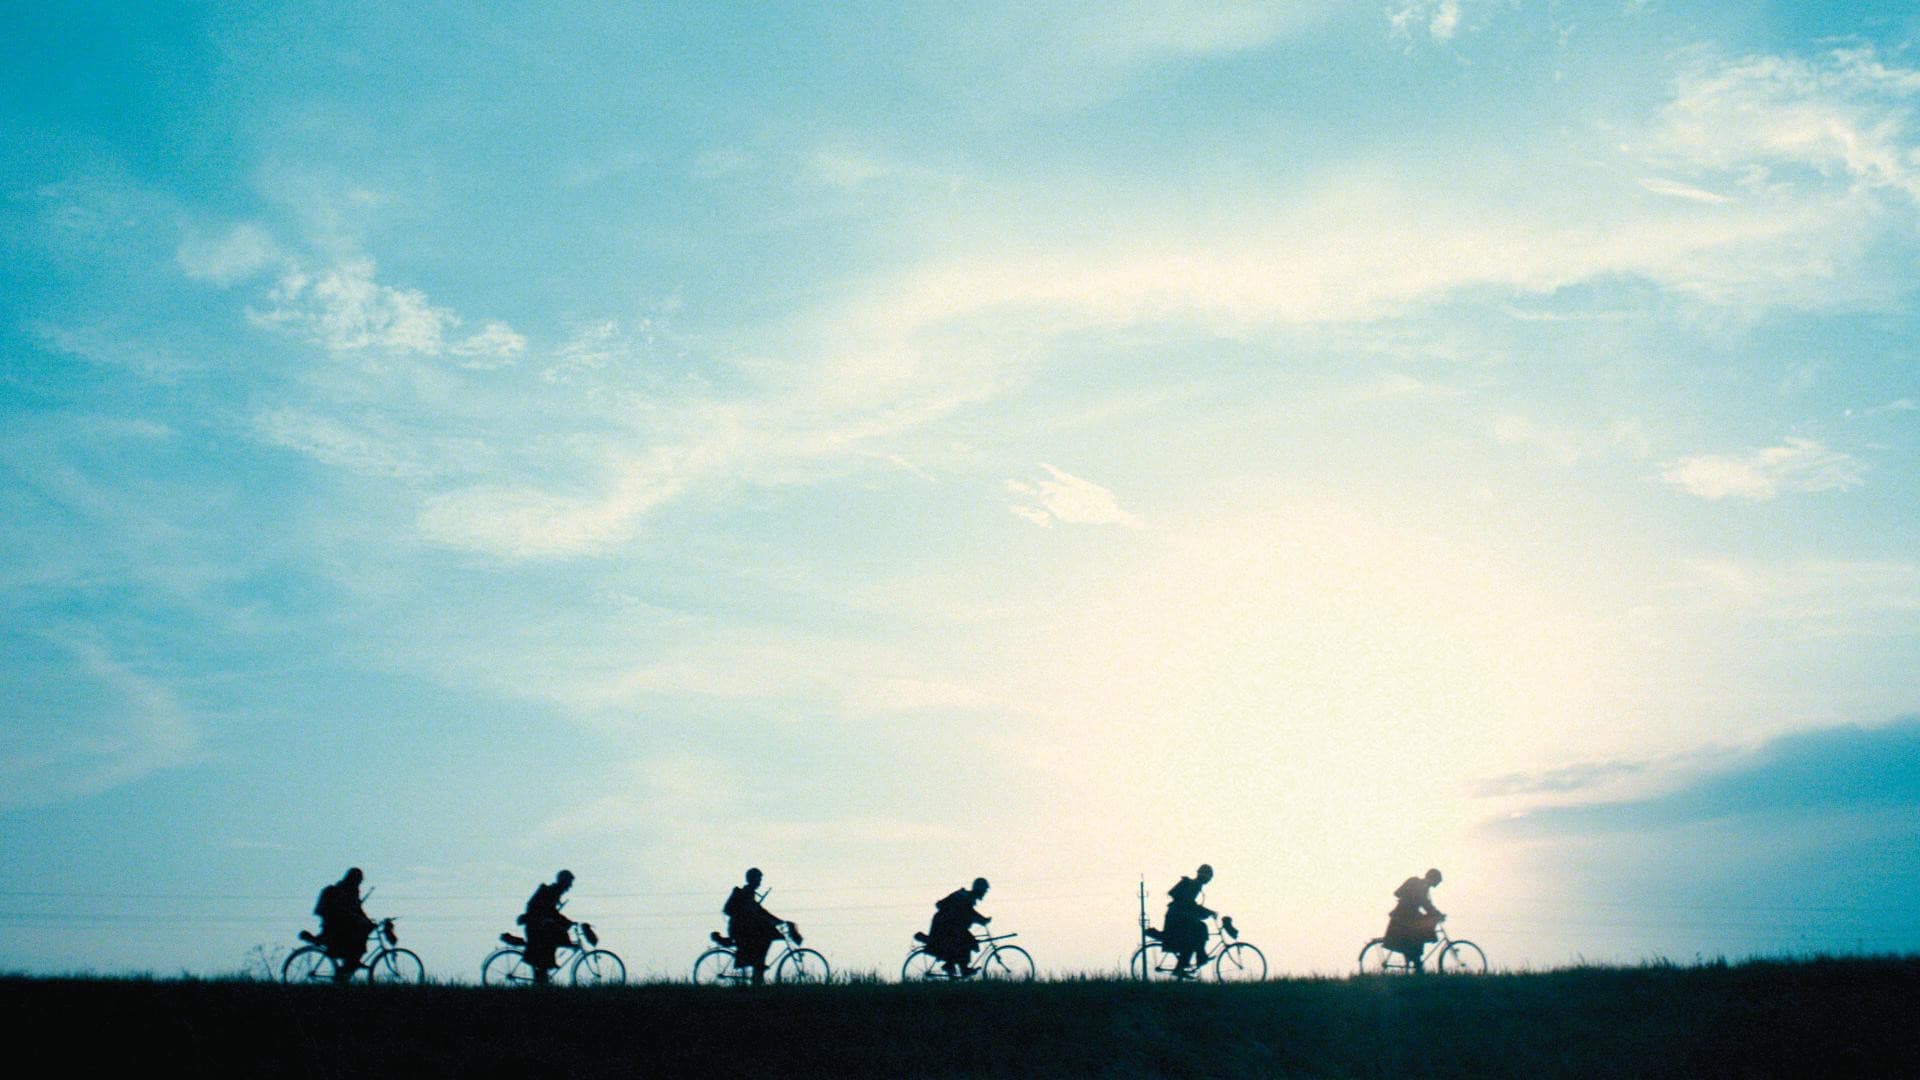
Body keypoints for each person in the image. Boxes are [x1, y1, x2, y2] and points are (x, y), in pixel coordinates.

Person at [313, 867, 375, 984]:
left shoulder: (347, 889)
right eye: (359, 880)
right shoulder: (346, 890)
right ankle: (344, 972)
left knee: (357, 944)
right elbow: (349, 910)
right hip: (338, 926)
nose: (360, 882)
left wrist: (366, 920)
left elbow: (356, 910)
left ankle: (346, 971)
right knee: (356, 944)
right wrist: (364, 920)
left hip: (340, 924)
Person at [723, 868, 785, 984]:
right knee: (764, 939)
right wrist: (777, 922)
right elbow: (758, 912)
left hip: (741, 929)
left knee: (763, 941)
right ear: (753, 879)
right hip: (740, 930)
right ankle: (758, 974)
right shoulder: (747, 893)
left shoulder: (748, 892)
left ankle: (758, 972)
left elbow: (759, 911)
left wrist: (777, 921)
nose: (760, 881)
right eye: (758, 878)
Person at [925, 877, 991, 977]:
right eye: (984, 890)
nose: (985, 893)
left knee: (965, 941)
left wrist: (982, 919)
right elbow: (969, 913)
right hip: (944, 926)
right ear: (979, 889)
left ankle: (953, 965)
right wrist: (982, 920)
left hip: (948, 925)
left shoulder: (967, 897)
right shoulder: (966, 897)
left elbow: (970, 913)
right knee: (967, 941)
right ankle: (960, 968)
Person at [519, 869, 575, 984]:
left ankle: (542, 979)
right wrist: (566, 922)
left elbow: (551, 912)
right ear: (563, 882)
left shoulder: (553, 891)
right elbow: (550, 912)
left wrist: (565, 922)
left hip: (536, 925)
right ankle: (542, 979)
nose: (570, 886)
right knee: (547, 947)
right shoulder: (552, 892)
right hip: (535, 926)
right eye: (569, 883)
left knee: (548, 947)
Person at [1383, 868, 1445, 972]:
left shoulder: (1418, 883)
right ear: (1432, 879)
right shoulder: (1421, 886)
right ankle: (1417, 964)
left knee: (1417, 937)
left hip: (1407, 915)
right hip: (1405, 916)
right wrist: (1437, 914)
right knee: (1416, 937)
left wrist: (1436, 913)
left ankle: (1416, 963)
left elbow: (1425, 903)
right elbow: (1425, 903)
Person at [1161, 864, 1215, 977]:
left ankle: (1199, 957)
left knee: (1200, 929)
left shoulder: (1194, 884)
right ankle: (1197, 959)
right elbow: (1190, 904)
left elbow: (1190, 905)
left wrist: (1205, 912)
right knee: (1193, 936)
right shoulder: (1194, 885)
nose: (1209, 880)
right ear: (1205, 876)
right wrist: (1209, 912)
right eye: (1209, 877)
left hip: (1177, 918)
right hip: (1177, 919)